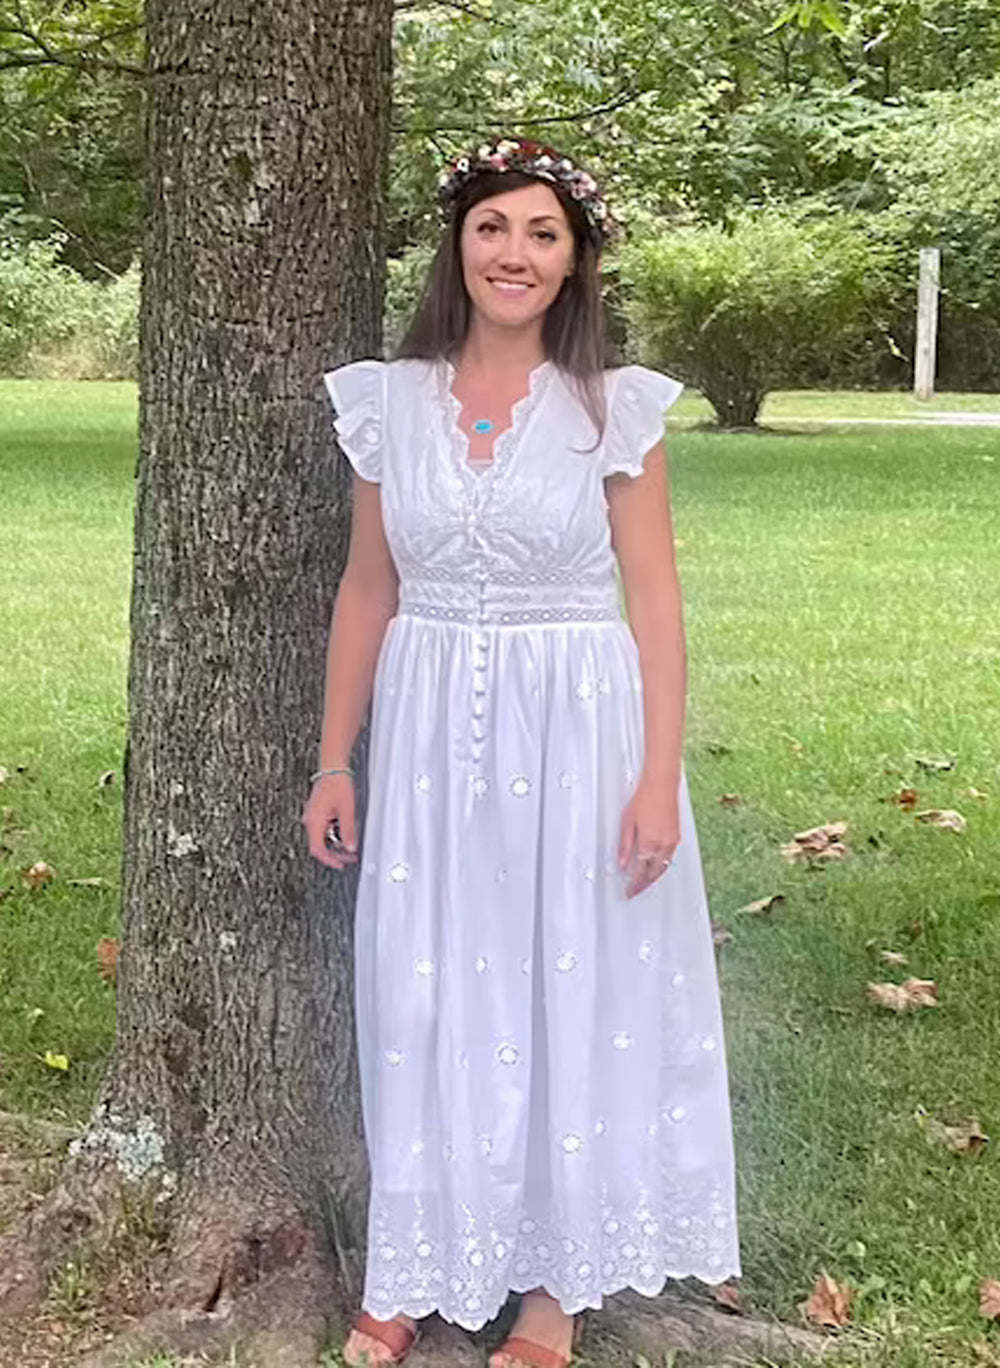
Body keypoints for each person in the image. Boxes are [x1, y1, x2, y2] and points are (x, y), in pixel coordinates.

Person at [302, 136, 741, 1368]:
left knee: (567, 993)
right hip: (434, 731)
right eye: (494, 226)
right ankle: (420, 1267)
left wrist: (655, 779)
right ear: (458, 242)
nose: (515, 253)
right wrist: (337, 760)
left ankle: (558, 1289)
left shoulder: (614, 408)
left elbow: (654, 602)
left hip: (580, 735)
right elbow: (365, 588)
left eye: (542, 233)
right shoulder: (388, 402)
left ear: (575, 260)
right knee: (427, 991)